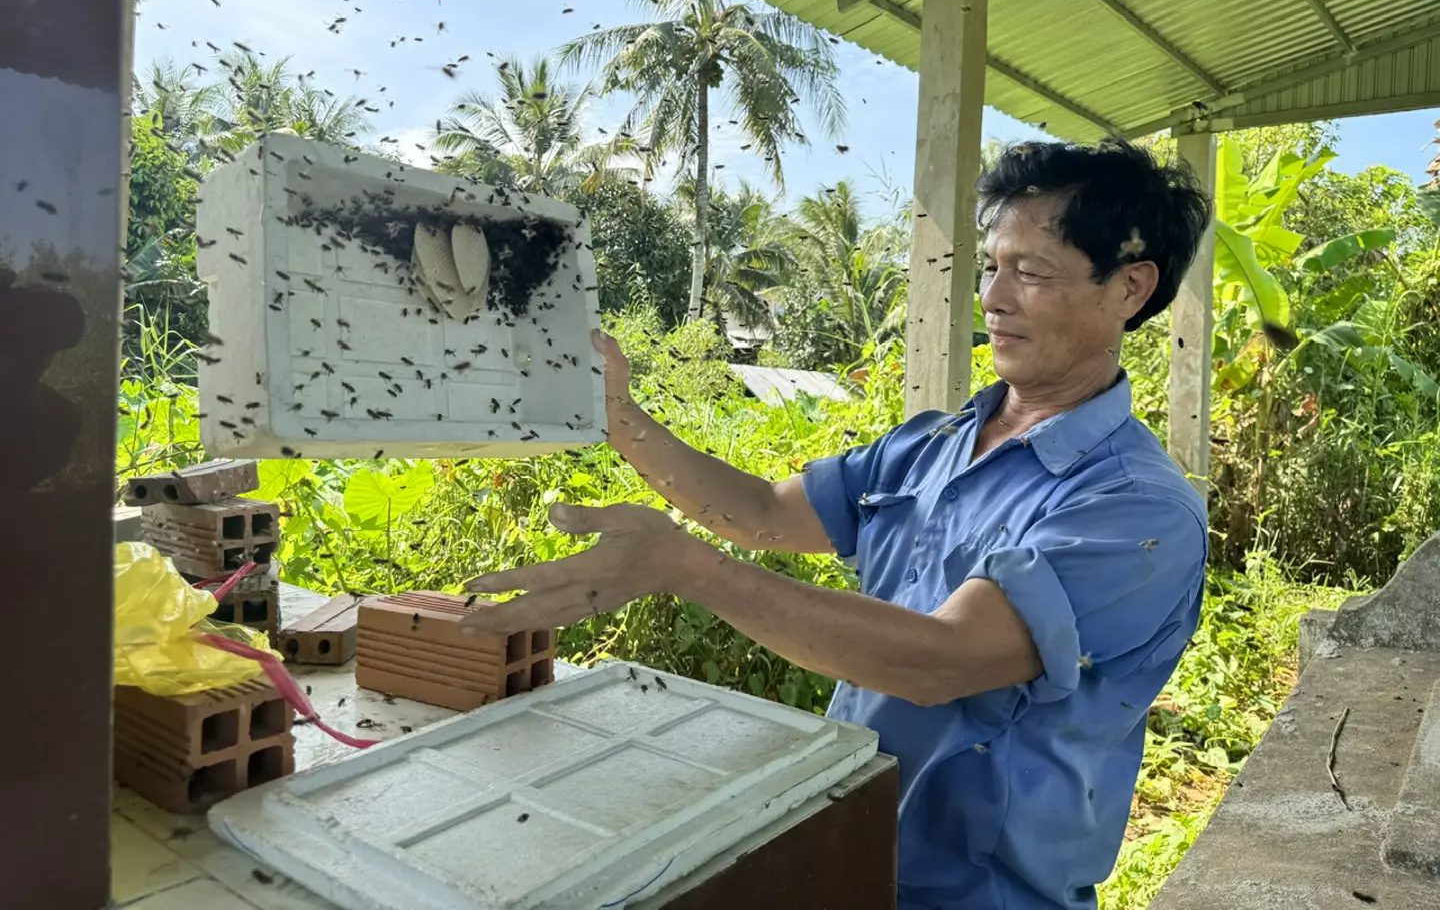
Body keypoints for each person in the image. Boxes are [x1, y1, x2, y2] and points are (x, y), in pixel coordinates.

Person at [461, 138, 1214, 910]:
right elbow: (759, 514)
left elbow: (945, 660)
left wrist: (684, 568)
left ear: (1129, 287)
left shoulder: (1137, 509)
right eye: (992, 265)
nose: (993, 296)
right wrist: (617, 417)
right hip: (846, 850)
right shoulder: (932, 443)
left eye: (1032, 271)